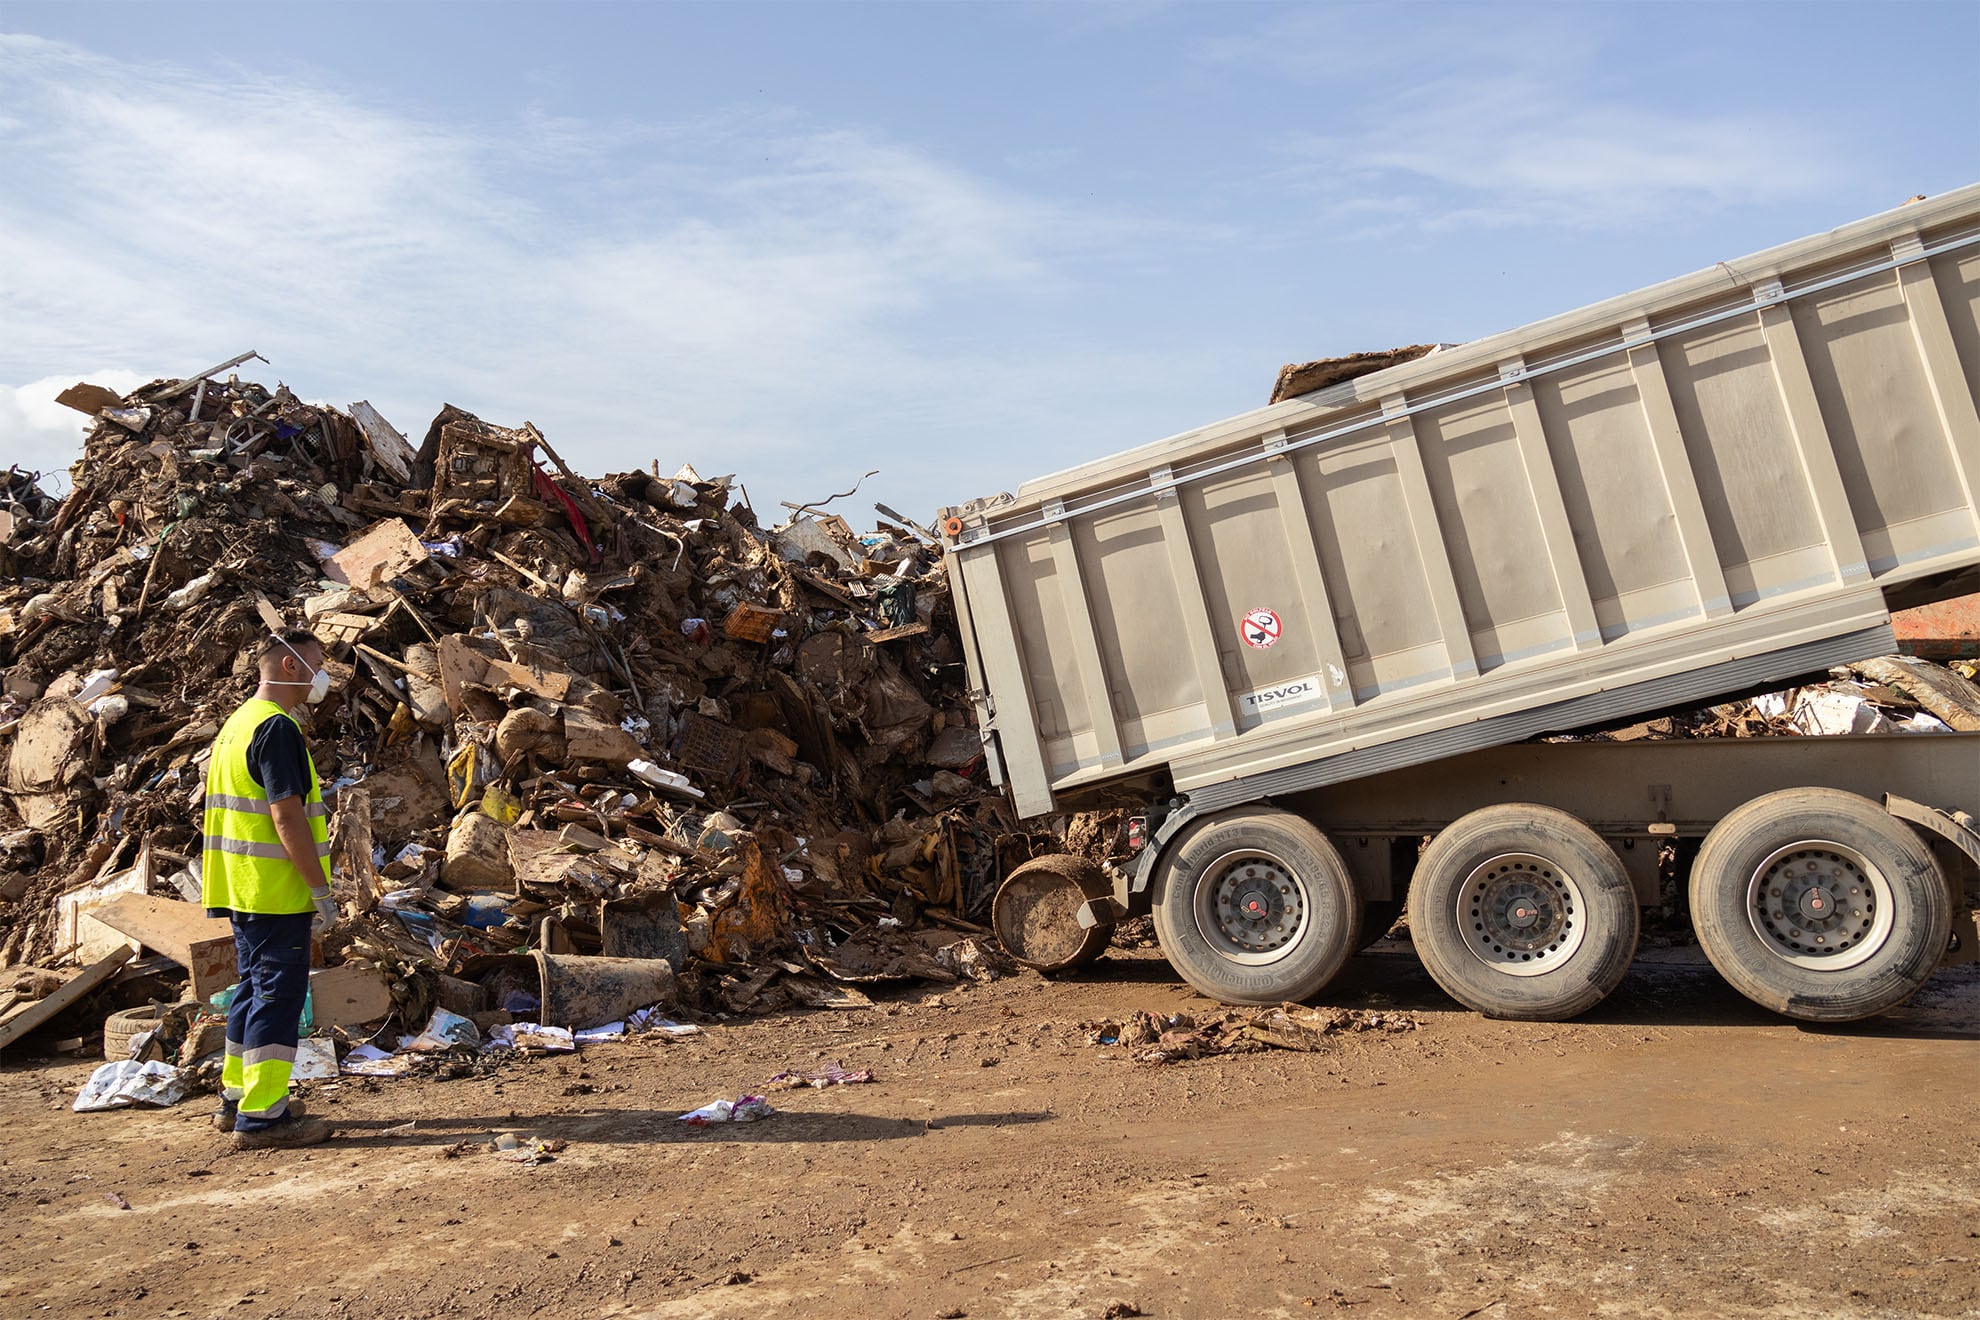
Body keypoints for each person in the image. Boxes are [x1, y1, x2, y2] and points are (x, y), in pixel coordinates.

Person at [200, 627, 338, 1150]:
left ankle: (237, 1098)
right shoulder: (276, 728)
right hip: (275, 890)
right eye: (316, 663)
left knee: (252, 991)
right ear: (287, 666)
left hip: (240, 887)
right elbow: (288, 818)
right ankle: (263, 1117)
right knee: (278, 998)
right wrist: (319, 890)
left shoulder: (237, 724)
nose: (321, 674)